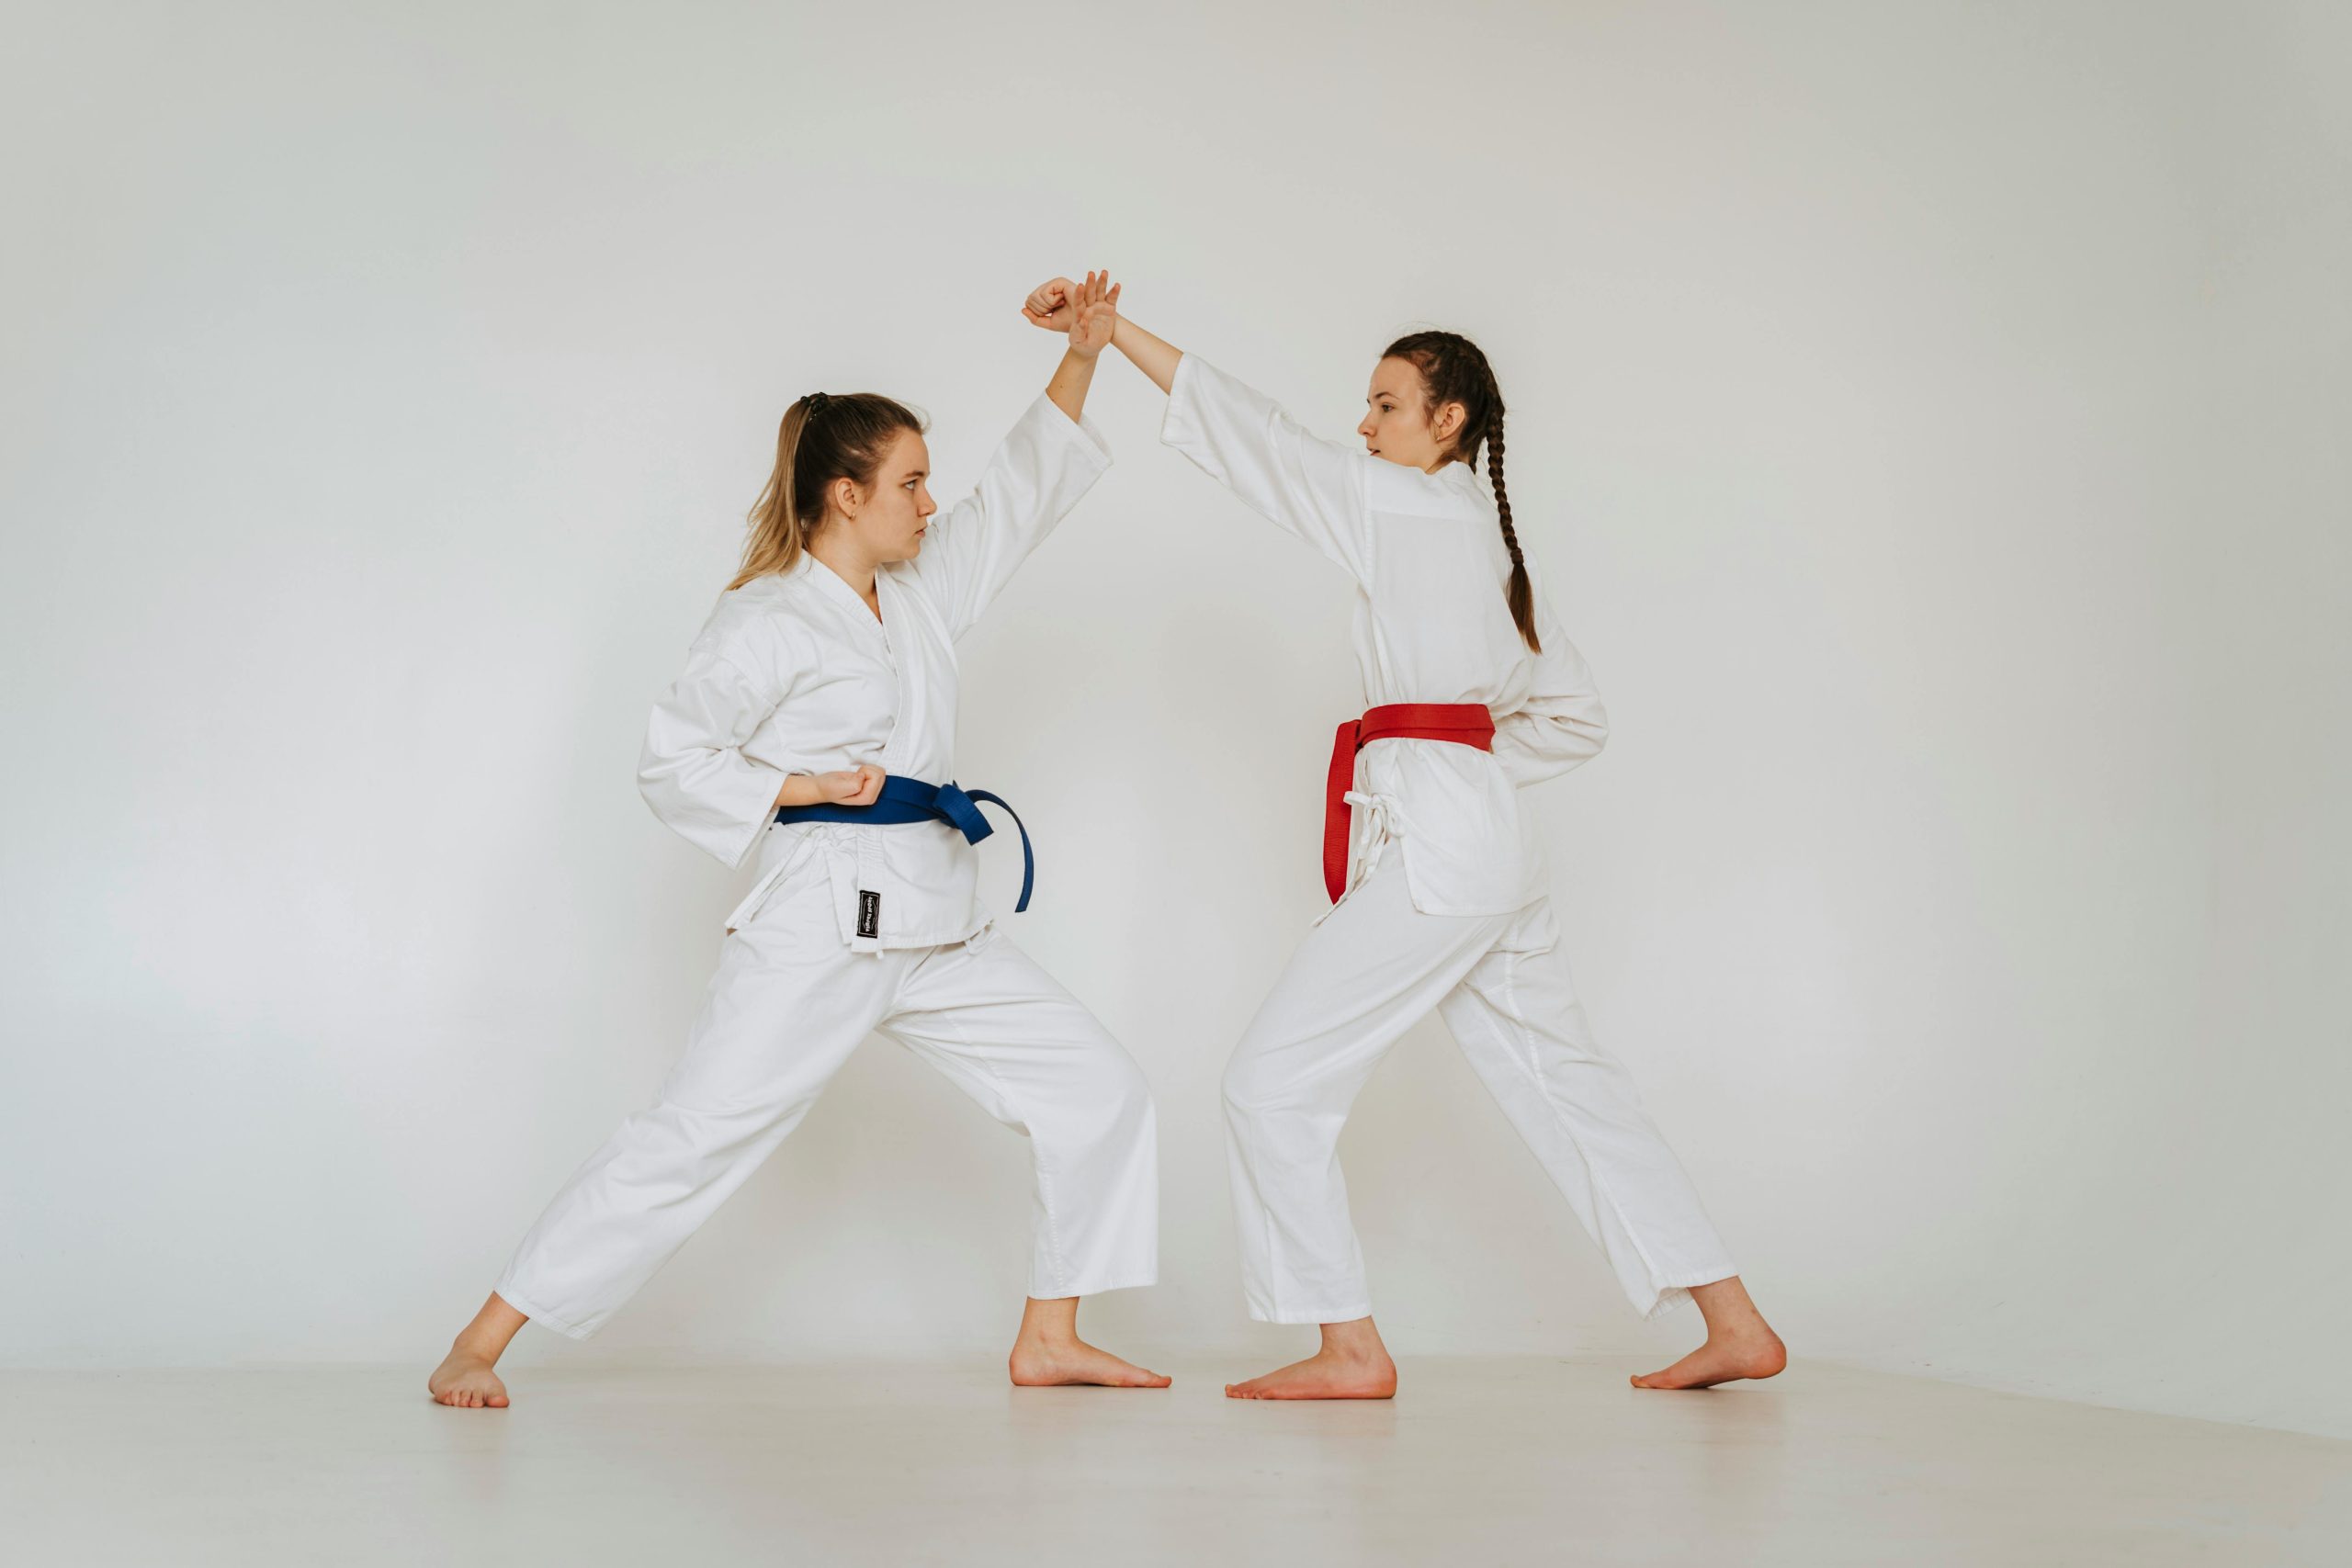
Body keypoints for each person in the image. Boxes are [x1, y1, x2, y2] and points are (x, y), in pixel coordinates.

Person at [1024, 277, 1785, 1400]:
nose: (1362, 425)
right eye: (1366, 406)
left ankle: (1350, 1349)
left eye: (1385, 405)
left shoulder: (1398, 504)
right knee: (1573, 1084)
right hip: (1485, 847)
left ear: (1448, 424)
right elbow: (1575, 715)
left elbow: (1252, 435)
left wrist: (1114, 334)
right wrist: (1465, 770)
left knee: (1269, 1084)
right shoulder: (1487, 544)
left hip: (1443, 850)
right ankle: (1735, 1321)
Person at [429, 274, 1166, 1408]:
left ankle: (1049, 1335)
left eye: (929, 484)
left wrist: (1085, 351)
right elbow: (672, 759)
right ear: (843, 493)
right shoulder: (767, 617)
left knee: (1099, 1088)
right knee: (690, 1138)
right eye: (911, 484)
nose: (932, 504)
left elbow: (1020, 497)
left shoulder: (920, 592)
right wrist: (798, 782)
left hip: (934, 915)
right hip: (821, 924)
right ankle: (479, 1341)